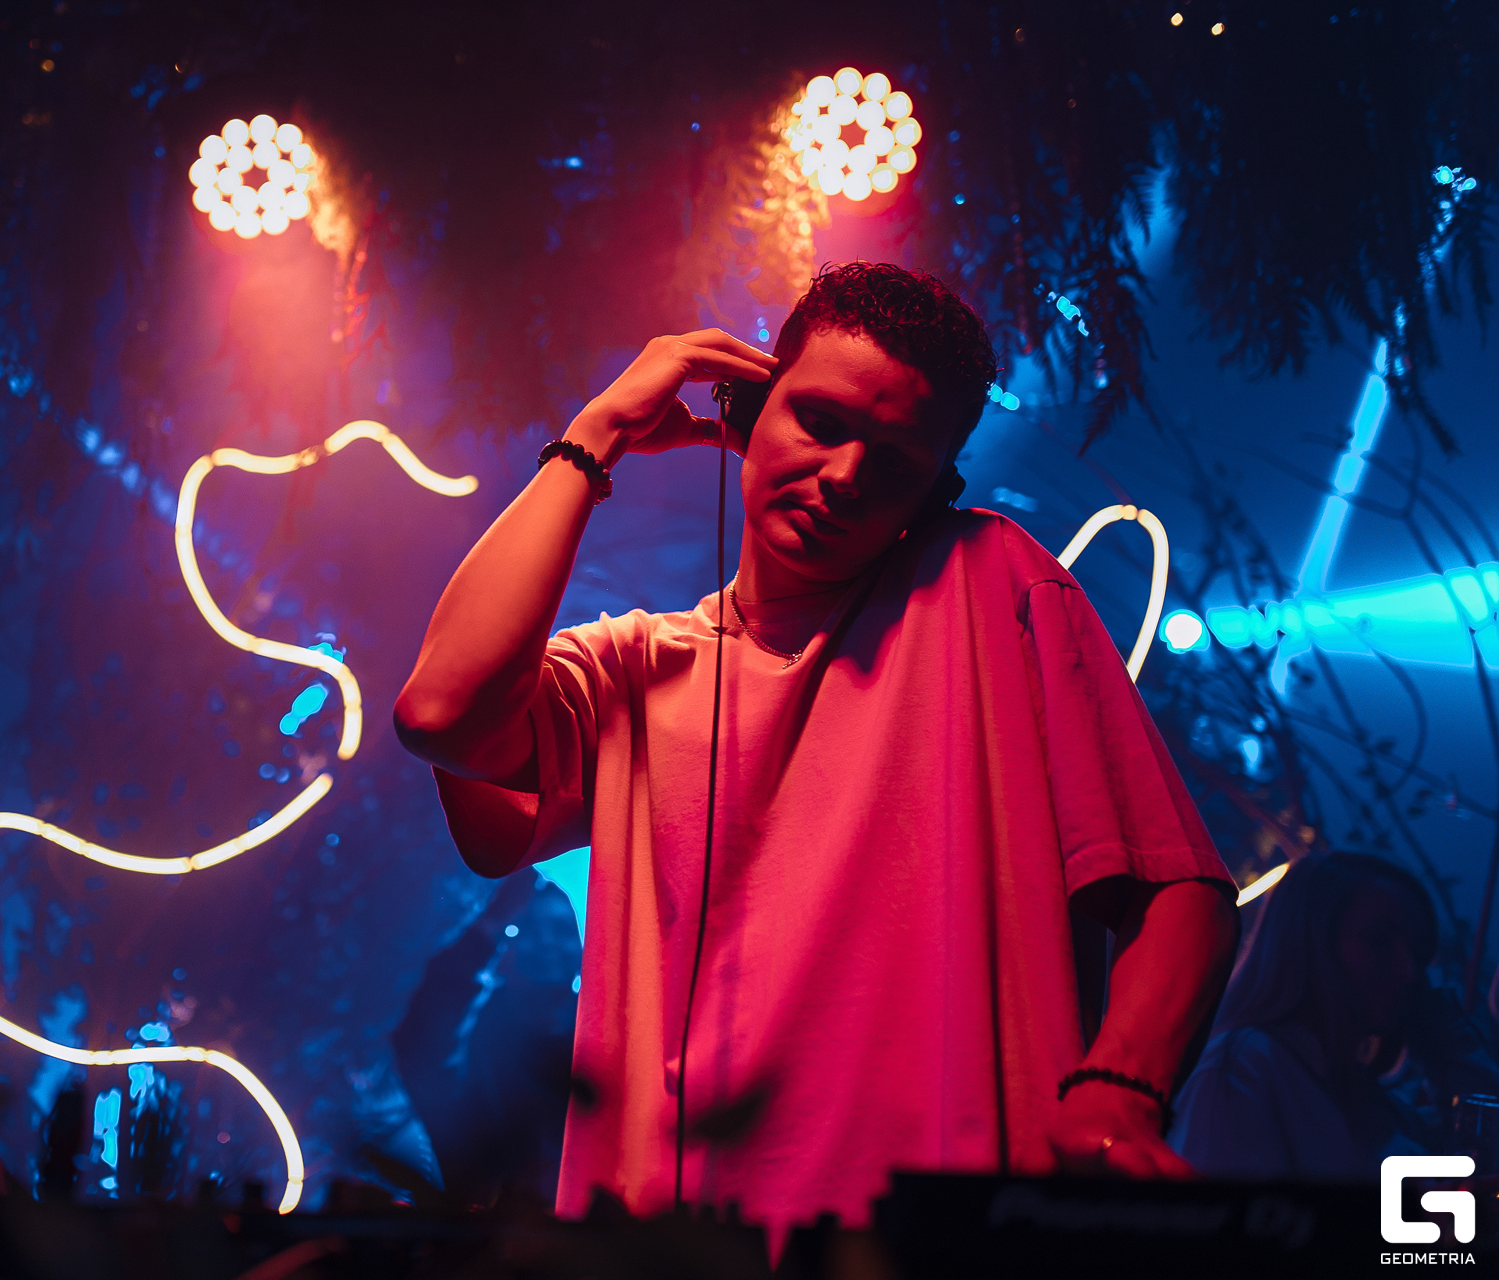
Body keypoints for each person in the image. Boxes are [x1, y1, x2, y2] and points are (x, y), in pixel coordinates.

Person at [393, 262, 1240, 1233]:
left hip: (946, 1234)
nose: (844, 476)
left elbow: (1178, 890)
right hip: (678, 1253)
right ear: (748, 414)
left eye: (894, 461)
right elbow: (442, 712)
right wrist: (594, 436)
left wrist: (1119, 1091)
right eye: (821, 422)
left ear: (933, 493)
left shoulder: (987, 579)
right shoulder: (632, 669)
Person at [1171, 852, 1499, 1179]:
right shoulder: (1242, 1070)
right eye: (1379, 941)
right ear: (1307, 943)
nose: (1410, 971)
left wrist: (1444, 1035)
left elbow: (1486, 1145)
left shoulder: (1371, 1099)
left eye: (1416, 951)